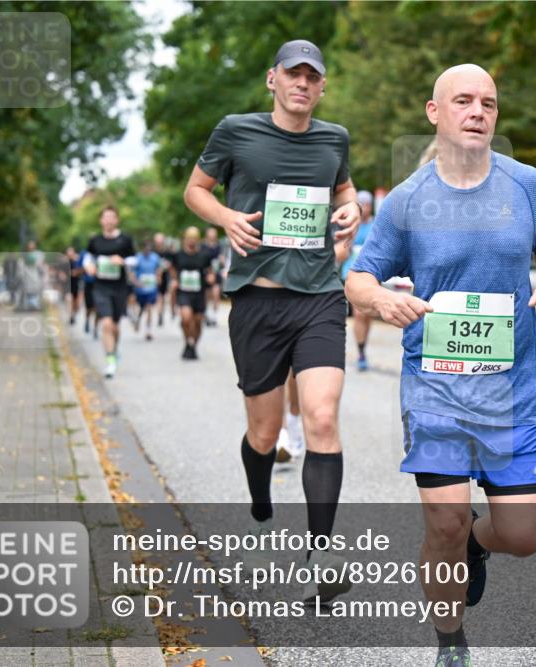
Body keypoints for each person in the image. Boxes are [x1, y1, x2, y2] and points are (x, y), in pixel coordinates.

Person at [346, 64, 536, 666]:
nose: (478, 112)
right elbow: (358, 278)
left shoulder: (527, 185)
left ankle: (480, 539)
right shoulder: (408, 200)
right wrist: (382, 298)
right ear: (435, 112)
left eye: (489, 104)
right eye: (465, 101)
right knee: (443, 522)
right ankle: (450, 641)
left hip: (513, 392)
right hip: (436, 391)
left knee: (525, 536)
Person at [183, 39, 361, 601]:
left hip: (319, 298)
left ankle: (323, 555)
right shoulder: (236, 130)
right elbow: (195, 190)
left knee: (322, 418)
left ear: (323, 86)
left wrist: (353, 206)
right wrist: (227, 217)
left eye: (313, 77)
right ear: (273, 79)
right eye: (294, 75)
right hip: (258, 302)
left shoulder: (335, 138)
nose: (303, 84)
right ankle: (260, 494)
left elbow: (345, 187)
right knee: (263, 433)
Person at [83, 206, 136, 378]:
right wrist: (88, 266)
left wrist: (123, 261)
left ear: (117, 220)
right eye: (105, 217)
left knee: (115, 326)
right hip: (100, 287)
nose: (109, 220)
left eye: (112, 217)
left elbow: (135, 259)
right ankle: (110, 360)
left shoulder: (125, 240)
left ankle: (114, 348)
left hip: (119, 287)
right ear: (101, 220)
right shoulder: (95, 240)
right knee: (106, 323)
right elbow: (88, 257)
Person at [340, 190, 375, 371]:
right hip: (352, 274)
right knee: (360, 313)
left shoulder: (376, 226)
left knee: (367, 316)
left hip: (374, 275)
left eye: (367, 203)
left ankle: (363, 346)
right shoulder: (350, 224)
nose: (364, 207)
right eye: (360, 203)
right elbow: (341, 250)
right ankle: (361, 352)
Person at [171, 227, 216, 359]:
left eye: (194, 239)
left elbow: (210, 271)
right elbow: (173, 269)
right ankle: (188, 341)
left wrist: (211, 277)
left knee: (197, 322)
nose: (191, 241)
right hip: (184, 292)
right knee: (186, 318)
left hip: (199, 293)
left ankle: (192, 346)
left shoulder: (204, 255)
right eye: (189, 238)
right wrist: (174, 280)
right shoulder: (178, 255)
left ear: (198, 240)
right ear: (184, 239)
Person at [131, 238, 162, 341]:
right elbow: (131, 272)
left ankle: (148, 331)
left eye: (149, 248)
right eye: (145, 248)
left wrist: (158, 278)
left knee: (149, 307)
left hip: (151, 287)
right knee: (142, 307)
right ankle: (138, 320)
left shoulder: (155, 257)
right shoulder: (137, 258)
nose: (147, 250)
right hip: (140, 287)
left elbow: (159, 269)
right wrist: (136, 282)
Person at [201, 226, 225, 327]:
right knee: (206, 296)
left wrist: (222, 261)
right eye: (211, 233)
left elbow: (222, 261)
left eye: (214, 233)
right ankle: (206, 314)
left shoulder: (219, 246)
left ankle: (214, 316)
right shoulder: (203, 246)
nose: (212, 235)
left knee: (216, 294)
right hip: (206, 273)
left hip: (216, 273)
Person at [65, 247, 82, 325]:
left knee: (76, 304)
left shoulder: (77, 261)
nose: (70, 254)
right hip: (67, 285)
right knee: (69, 300)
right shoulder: (64, 262)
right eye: (69, 253)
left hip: (76, 284)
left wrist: (76, 272)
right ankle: (70, 316)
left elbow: (81, 270)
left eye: (71, 253)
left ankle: (73, 314)